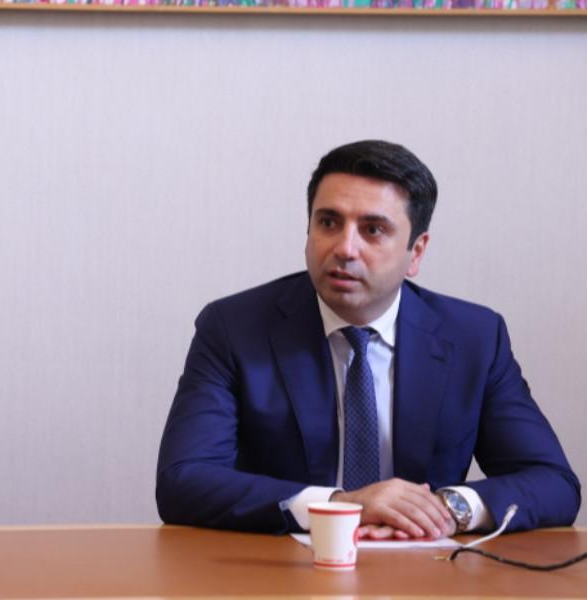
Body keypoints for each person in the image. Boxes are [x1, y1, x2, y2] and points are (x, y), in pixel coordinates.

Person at [156, 140, 580, 539]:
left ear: (416, 252)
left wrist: (445, 509)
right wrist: (342, 506)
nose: (345, 248)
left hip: (427, 569)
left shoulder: (474, 338)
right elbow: (183, 481)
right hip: (282, 569)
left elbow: (554, 483)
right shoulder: (234, 327)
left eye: (373, 229)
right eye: (328, 223)